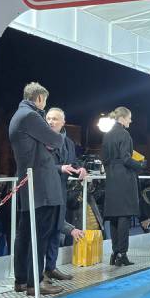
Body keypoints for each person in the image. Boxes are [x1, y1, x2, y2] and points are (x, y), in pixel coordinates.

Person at [9, 82, 83, 297]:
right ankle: (36, 282)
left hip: (30, 182)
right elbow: (56, 140)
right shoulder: (31, 116)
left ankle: (22, 281)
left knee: (25, 234)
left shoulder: (19, 115)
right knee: (39, 235)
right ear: (39, 98)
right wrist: (50, 140)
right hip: (41, 183)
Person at [45, 106, 87, 282]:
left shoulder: (69, 143)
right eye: (48, 118)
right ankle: (39, 273)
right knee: (44, 231)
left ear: (63, 122)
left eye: (54, 119)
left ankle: (51, 268)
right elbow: (40, 165)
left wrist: (80, 169)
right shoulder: (41, 139)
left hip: (61, 190)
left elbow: (73, 163)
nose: (50, 122)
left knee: (56, 229)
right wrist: (59, 168)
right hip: (44, 190)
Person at [102, 106, 145, 266]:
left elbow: (105, 159)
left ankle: (115, 253)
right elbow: (126, 158)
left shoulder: (107, 134)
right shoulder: (124, 134)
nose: (130, 121)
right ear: (122, 118)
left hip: (111, 177)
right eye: (129, 118)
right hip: (124, 178)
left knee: (114, 216)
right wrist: (140, 165)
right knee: (124, 217)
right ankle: (122, 254)